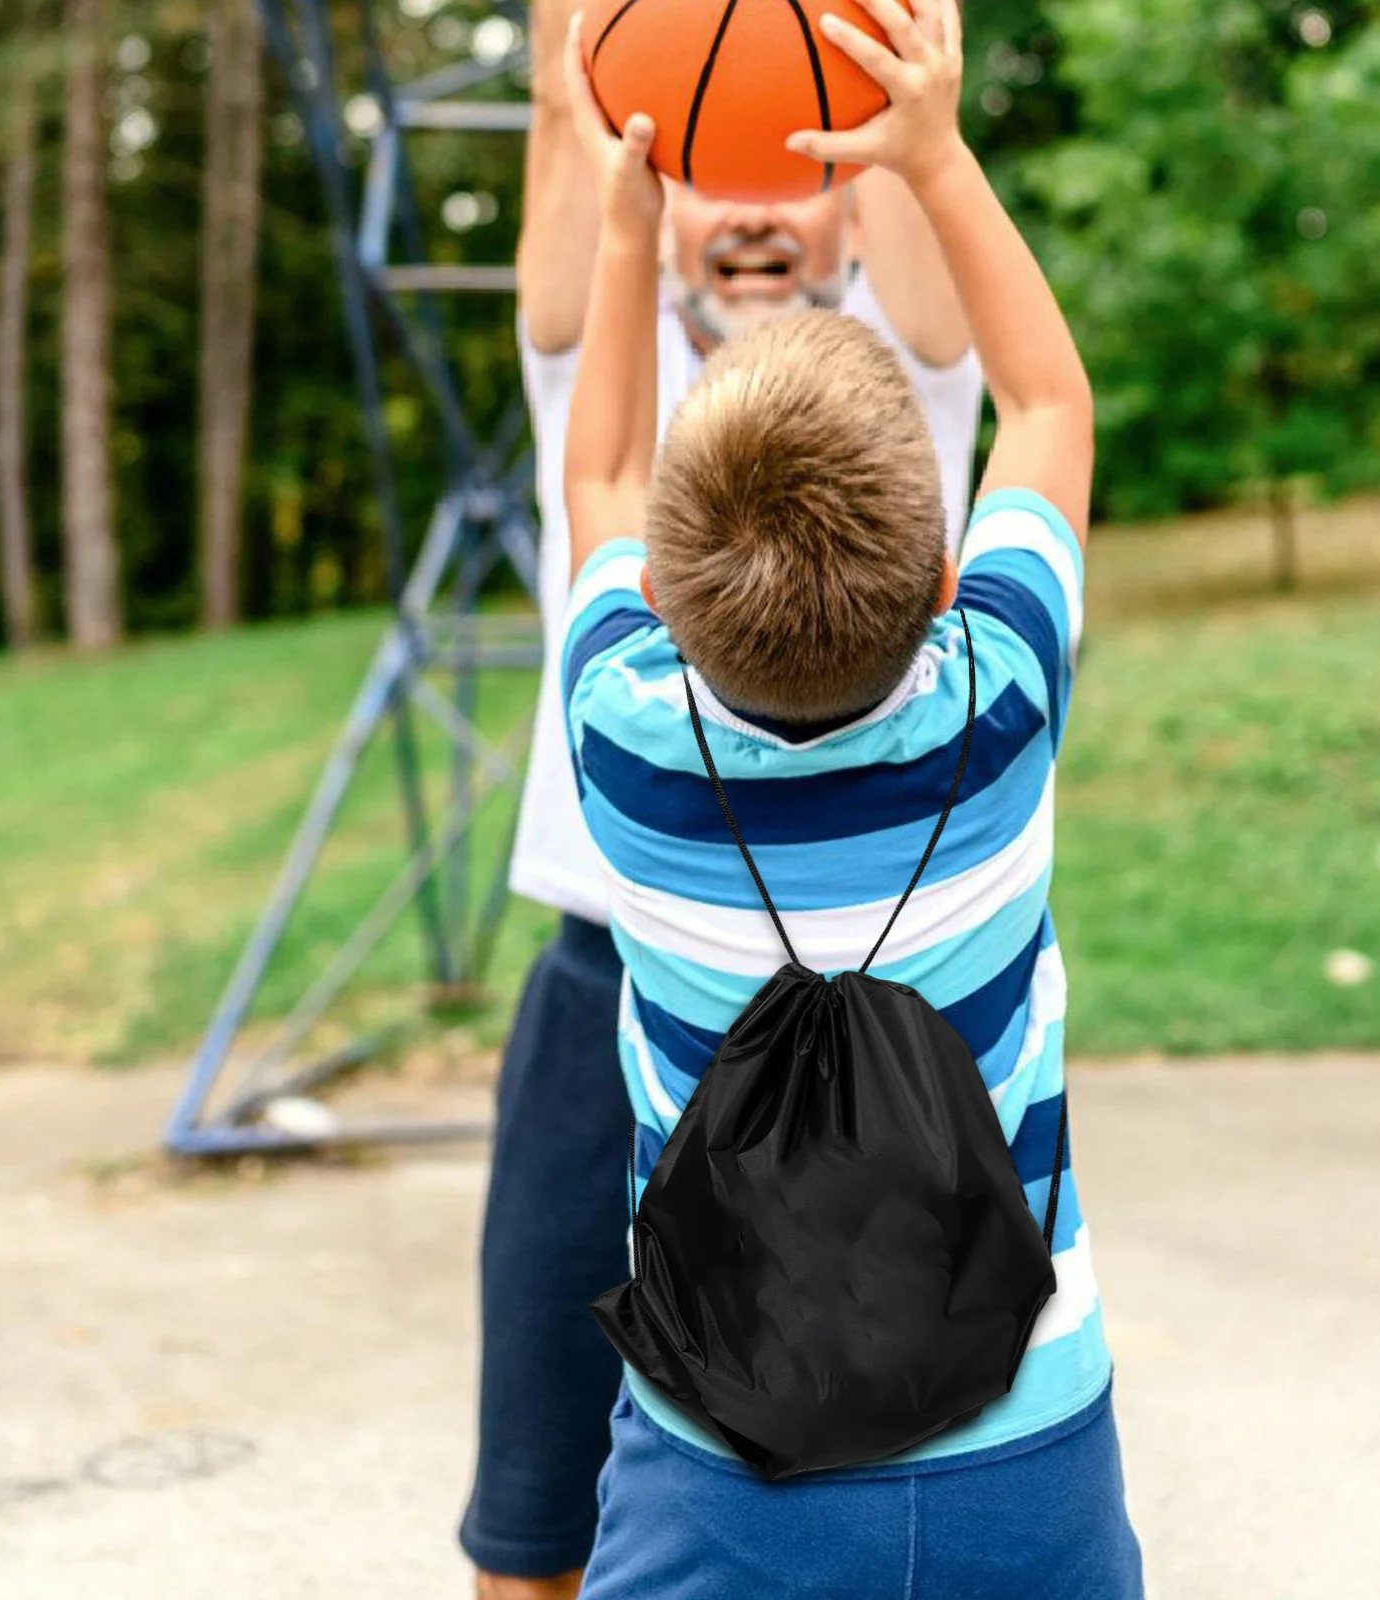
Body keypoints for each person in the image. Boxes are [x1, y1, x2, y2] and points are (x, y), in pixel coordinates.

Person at [552, 0, 1144, 1592]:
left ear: (663, 604)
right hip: (1029, 1449)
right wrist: (936, 158)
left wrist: (629, 232)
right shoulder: (1000, 704)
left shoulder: (626, 745)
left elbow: (596, 476)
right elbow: (1051, 407)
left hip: (720, 1475)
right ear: (950, 575)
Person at [460, 0, 985, 1591]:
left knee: (883, 1489)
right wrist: (592, 88)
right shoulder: (599, 393)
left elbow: (906, 146)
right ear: (652, 191)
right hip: (603, 974)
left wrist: (890, 113)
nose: (756, 201)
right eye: (711, 167)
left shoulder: (900, 391)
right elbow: (569, 110)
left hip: (868, 1007)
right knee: (536, 1504)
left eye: (801, 165)